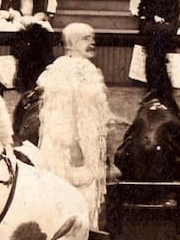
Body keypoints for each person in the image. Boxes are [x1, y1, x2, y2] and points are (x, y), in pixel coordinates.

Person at [35, 23, 122, 227]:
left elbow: (89, 106)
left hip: (85, 143)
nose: (92, 42)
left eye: (92, 38)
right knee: (75, 195)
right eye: (85, 38)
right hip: (71, 147)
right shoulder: (68, 69)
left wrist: (109, 117)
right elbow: (66, 112)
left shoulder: (83, 67)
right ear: (71, 43)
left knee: (84, 195)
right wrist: (75, 147)